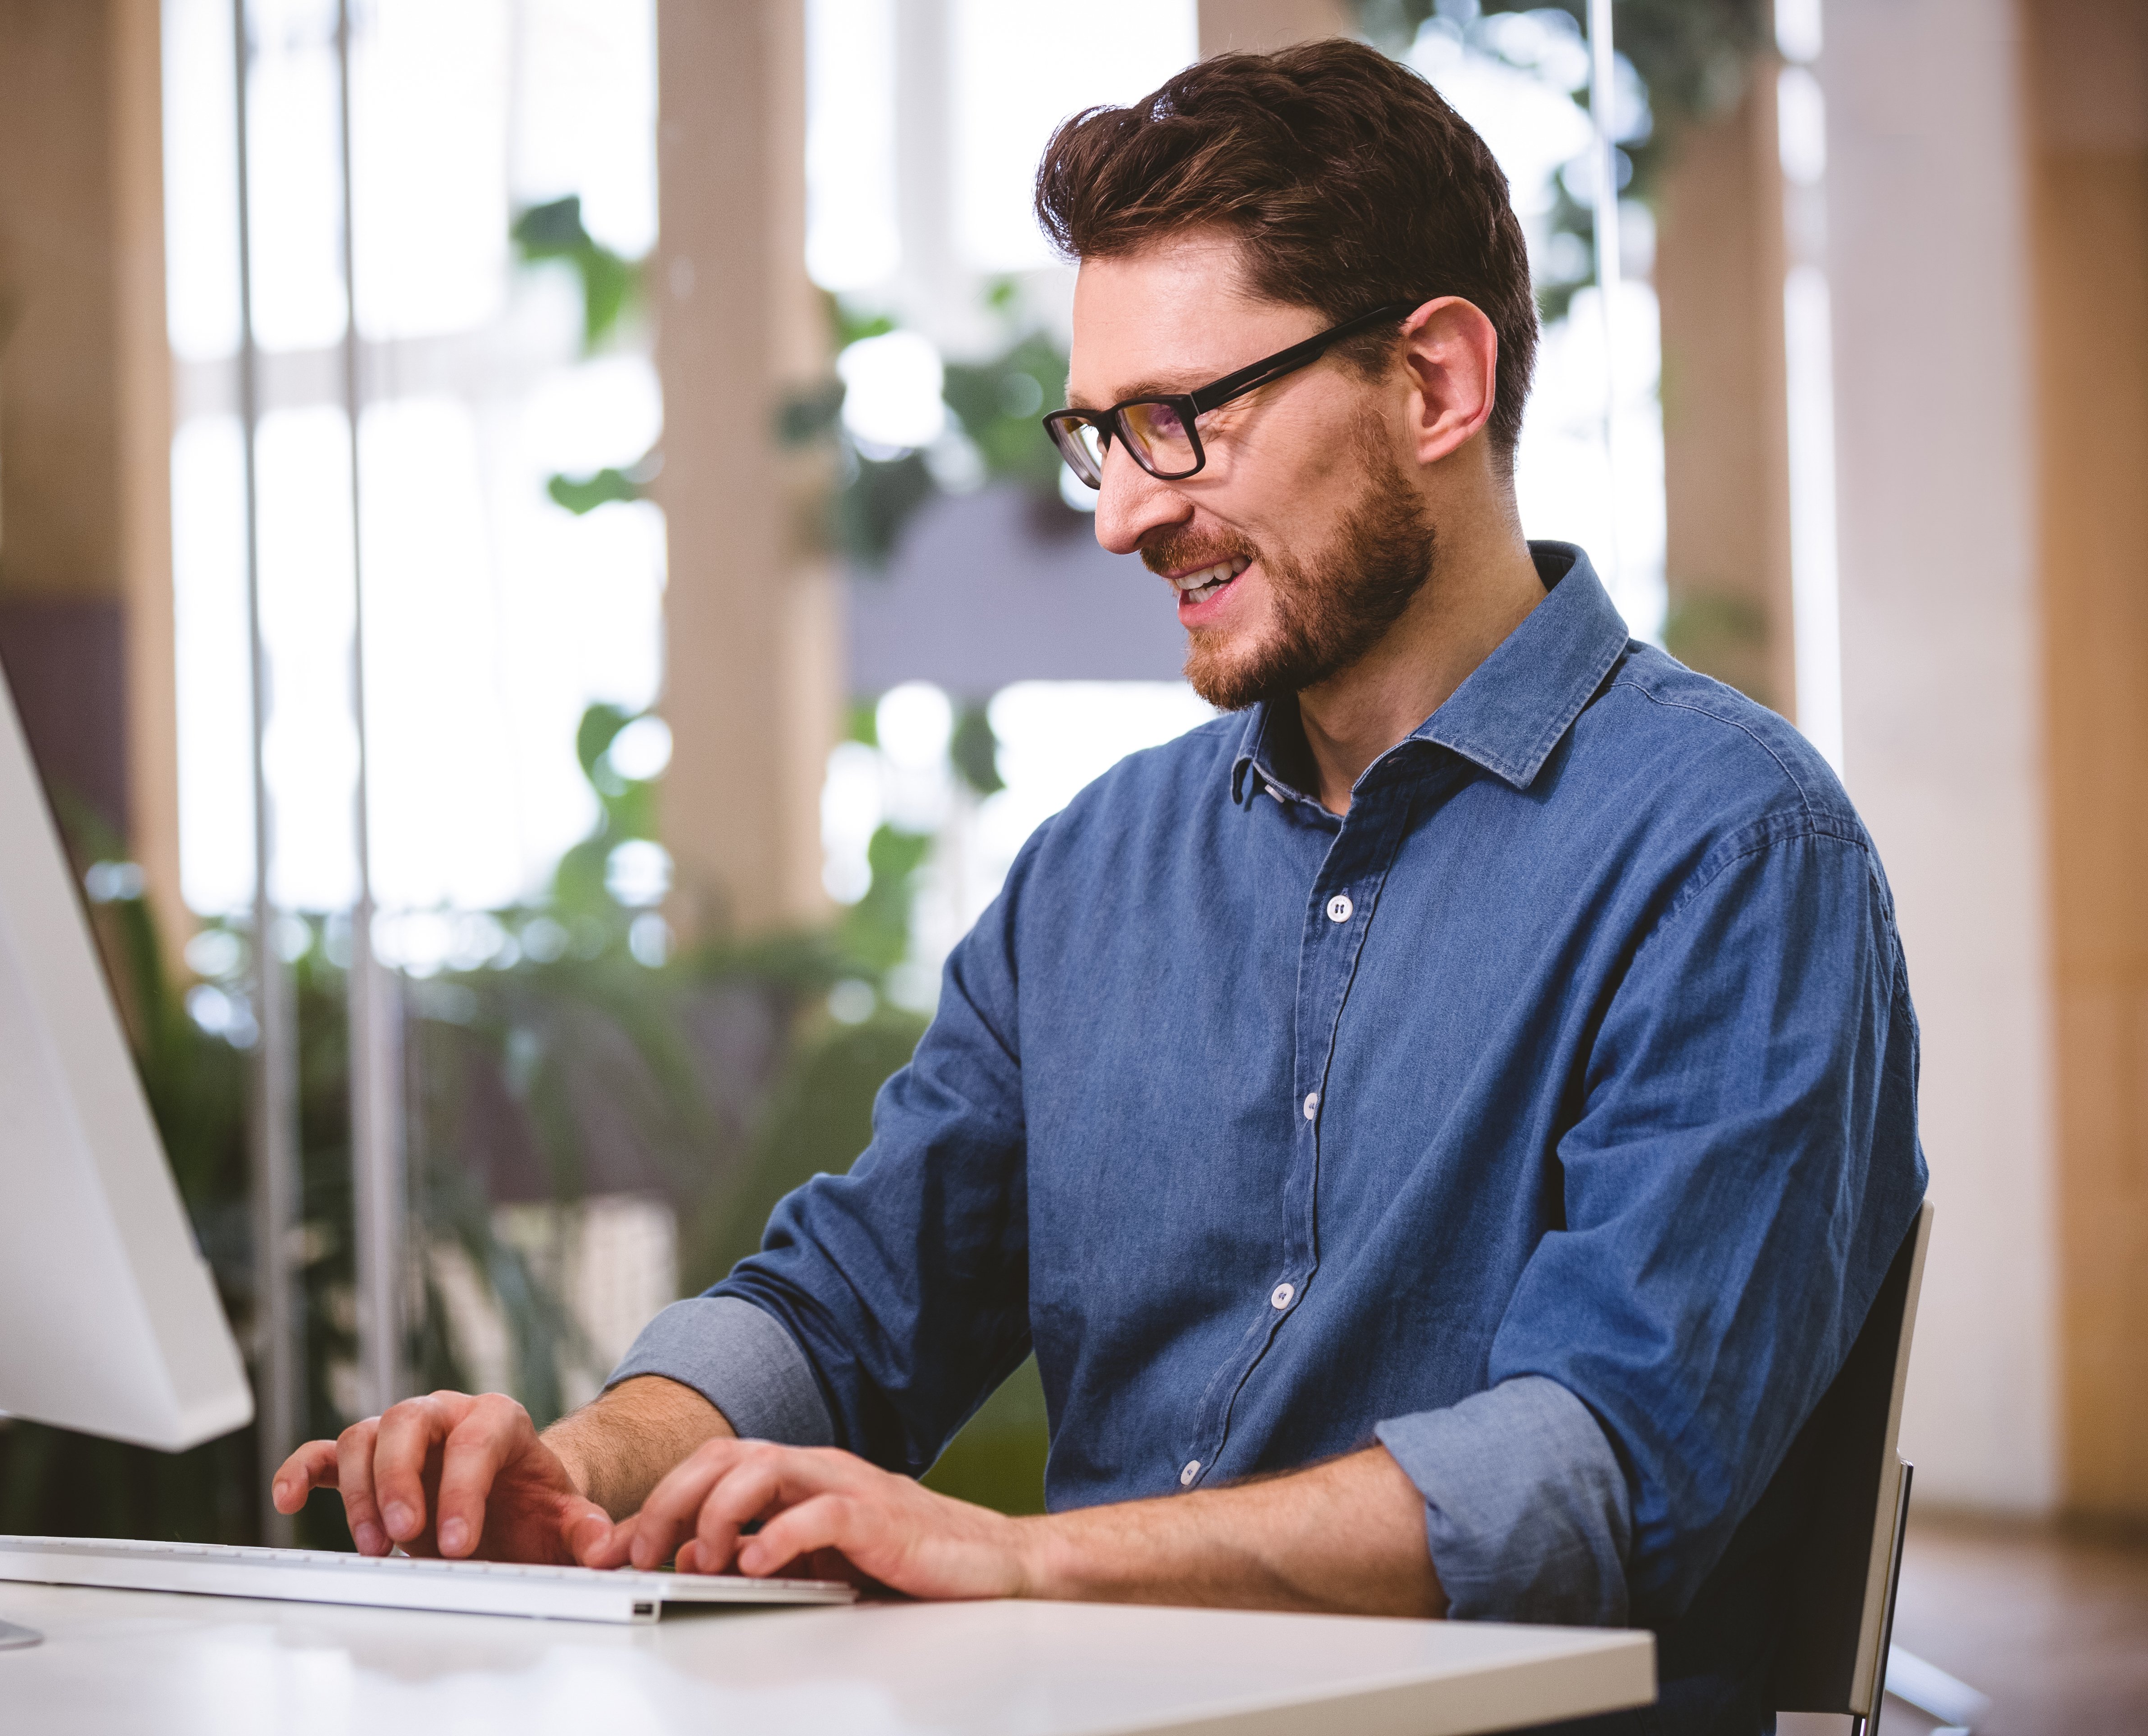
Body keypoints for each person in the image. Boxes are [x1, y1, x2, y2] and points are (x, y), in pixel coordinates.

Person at [274, 39, 1925, 1732]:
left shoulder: (1733, 852)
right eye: (1101, 435)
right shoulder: (1095, 873)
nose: (1125, 514)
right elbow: (847, 1309)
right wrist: (579, 1466)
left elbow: (1598, 1473)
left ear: (1435, 383)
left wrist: (1024, 1564)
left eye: (1184, 423)